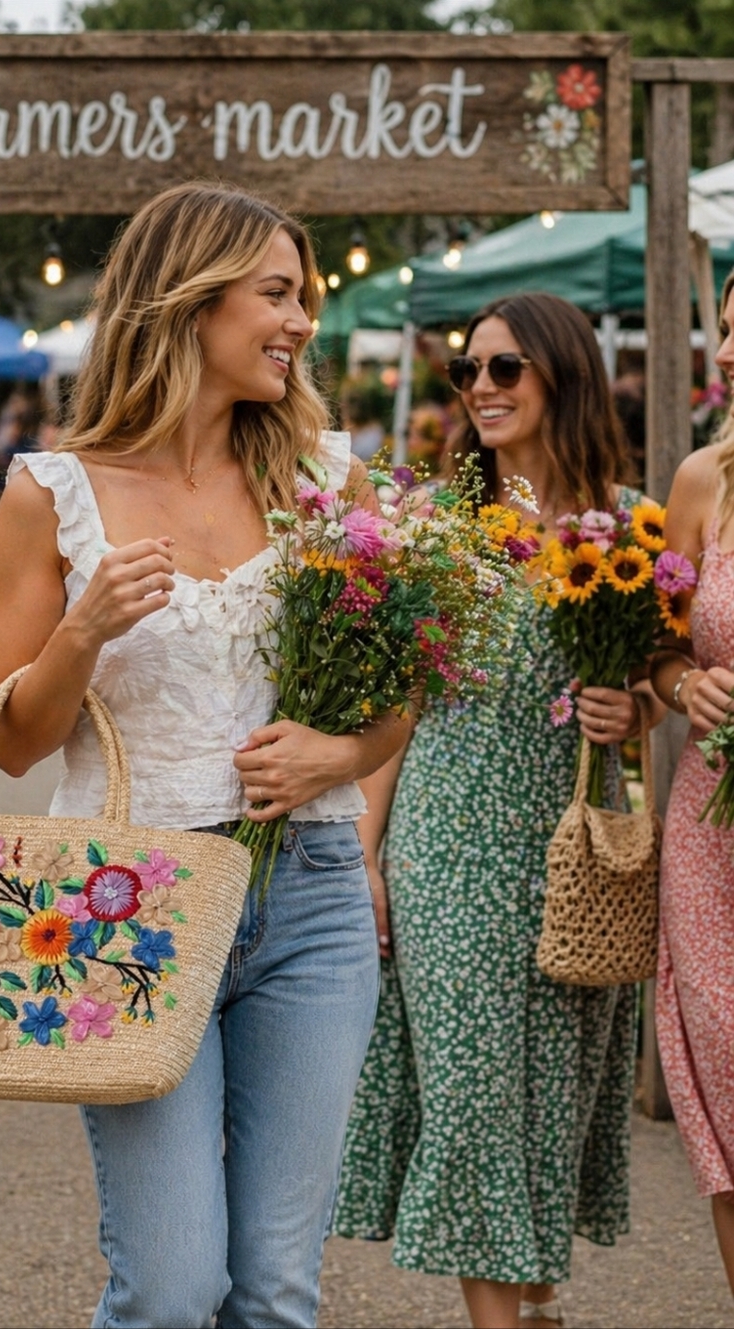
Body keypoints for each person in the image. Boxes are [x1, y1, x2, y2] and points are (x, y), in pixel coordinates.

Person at [0, 181, 404, 1329]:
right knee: (169, 1291)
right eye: (277, 295)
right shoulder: (52, 493)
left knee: (273, 1291)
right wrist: (83, 630)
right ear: (191, 301)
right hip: (126, 901)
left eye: (304, 298)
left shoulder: (328, 482)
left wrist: (337, 755)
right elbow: (9, 740)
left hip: (311, 897)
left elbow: (399, 699)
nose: (301, 323)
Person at [333, 292, 660, 1329]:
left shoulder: (631, 525)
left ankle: (533, 1300)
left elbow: (658, 679)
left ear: (563, 374)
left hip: (574, 842)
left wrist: (634, 707)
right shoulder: (438, 525)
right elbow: (393, 704)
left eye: (503, 367)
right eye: (465, 370)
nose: (479, 386)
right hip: (447, 836)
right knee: (472, 1094)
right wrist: (367, 857)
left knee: (557, 1087)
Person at [650, 267, 734, 1298]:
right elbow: (657, 648)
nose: (727, 353)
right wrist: (683, 685)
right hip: (712, 830)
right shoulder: (702, 482)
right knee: (727, 1087)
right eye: (723, 329)